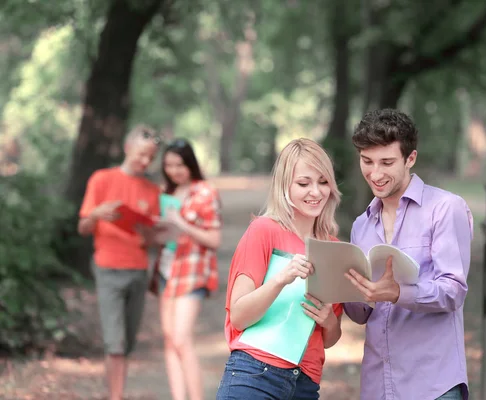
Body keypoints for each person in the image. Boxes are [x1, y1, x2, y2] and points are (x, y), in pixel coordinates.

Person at [343, 109, 474, 400]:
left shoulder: (444, 209)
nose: (375, 174)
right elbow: (361, 314)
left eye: (387, 162)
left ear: (410, 158)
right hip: (378, 386)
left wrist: (397, 292)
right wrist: (336, 288)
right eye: (367, 161)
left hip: (434, 386)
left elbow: (453, 291)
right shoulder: (361, 226)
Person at [216, 138, 343, 400]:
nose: (316, 192)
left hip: (305, 384)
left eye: (323, 182)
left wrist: (327, 319)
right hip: (255, 374)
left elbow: (330, 338)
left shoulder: (333, 248)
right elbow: (238, 316)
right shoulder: (264, 230)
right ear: (285, 186)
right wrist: (280, 279)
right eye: (303, 183)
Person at [78, 125, 162, 400]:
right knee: (114, 343)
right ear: (128, 148)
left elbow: (153, 239)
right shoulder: (101, 179)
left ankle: (117, 392)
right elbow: (83, 227)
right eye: (141, 155)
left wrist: (149, 235)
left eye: (150, 157)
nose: (145, 162)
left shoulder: (152, 190)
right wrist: (97, 214)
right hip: (108, 267)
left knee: (126, 343)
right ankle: (116, 396)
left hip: (137, 269)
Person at [150, 138, 222, 400]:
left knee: (182, 338)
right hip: (165, 270)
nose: (174, 170)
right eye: (168, 165)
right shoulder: (164, 194)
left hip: (192, 271)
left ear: (190, 163)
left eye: (179, 164)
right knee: (169, 341)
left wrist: (181, 224)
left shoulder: (204, 192)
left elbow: (214, 240)